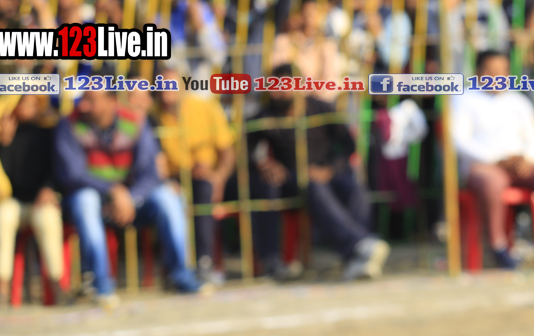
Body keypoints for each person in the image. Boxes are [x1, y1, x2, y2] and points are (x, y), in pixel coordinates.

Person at [54, 83, 206, 305]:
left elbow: (151, 172)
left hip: (131, 201)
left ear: (111, 102)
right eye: (83, 99)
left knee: (169, 198)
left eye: (91, 101)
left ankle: (181, 275)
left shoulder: (135, 121)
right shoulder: (70, 124)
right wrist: (113, 191)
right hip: (94, 199)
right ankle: (100, 285)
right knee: (85, 201)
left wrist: (130, 197)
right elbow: (72, 174)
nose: (83, 105)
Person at [248, 64, 389, 281]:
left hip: (327, 172)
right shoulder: (266, 116)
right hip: (291, 178)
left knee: (355, 190)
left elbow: (348, 145)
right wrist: (263, 163)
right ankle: (360, 245)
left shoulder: (321, 109)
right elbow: (244, 149)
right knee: (313, 186)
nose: (276, 93)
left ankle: (357, 257)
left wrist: (329, 170)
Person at [452, 49, 534, 269]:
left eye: (502, 71)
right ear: (478, 72)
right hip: (485, 166)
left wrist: (526, 159)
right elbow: (459, 140)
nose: (497, 76)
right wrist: (497, 159)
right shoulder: (463, 99)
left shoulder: (518, 100)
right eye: (491, 71)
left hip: (523, 165)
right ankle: (499, 247)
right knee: (492, 182)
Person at [152, 67, 236, 286]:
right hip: (171, 179)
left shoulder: (205, 107)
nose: (167, 93)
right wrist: (168, 181)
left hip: (208, 177)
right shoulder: (154, 116)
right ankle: (175, 266)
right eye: (162, 87)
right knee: (167, 199)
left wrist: (219, 177)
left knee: (204, 188)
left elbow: (228, 152)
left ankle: (204, 262)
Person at [0, 95, 65, 305]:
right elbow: (0, 177)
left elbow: (57, 169)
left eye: (33, 104)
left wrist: (49, 188)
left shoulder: (48, 133)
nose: (28, 108)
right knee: (3, 215)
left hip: (40, 200)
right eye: (24, 103)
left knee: (48, 218)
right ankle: (1, 286)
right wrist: (4, 144)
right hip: (12, 200)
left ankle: (56, 284)